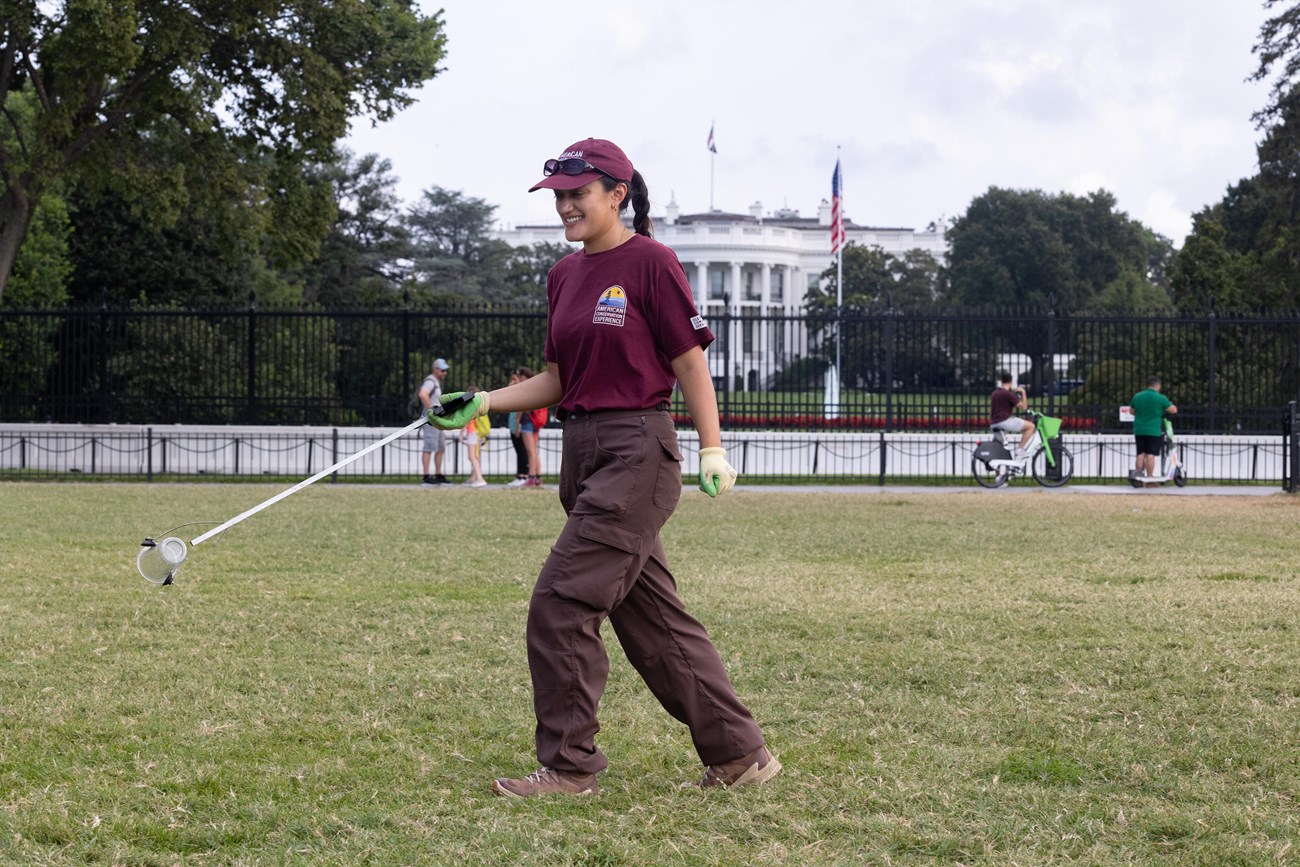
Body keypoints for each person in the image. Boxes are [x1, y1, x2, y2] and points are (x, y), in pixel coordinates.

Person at [426, 138, 778, 798]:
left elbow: (689, 362)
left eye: (578, 193)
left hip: (637, 451)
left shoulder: (651, 261)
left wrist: (712, 447)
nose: (565, 205)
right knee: (653, 619)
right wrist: (482, 400)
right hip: (584, 452)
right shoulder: (564, 275)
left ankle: (570, 769)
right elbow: (559, 378)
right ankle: (740, 755)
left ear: (617, 194)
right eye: (559, 195)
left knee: (560, 603)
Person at [1131, 375, 1177, 486]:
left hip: (1139, 429)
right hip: (1153, 430)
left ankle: (1138, 477)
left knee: (1140, 453)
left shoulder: (1137, 396)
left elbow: (1132, 411)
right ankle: (1150, 479)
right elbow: (1173, 410)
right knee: (1150, 454)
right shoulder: (1160, 398)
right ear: (1158, 385)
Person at [419, 358, 451, 486]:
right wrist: (432, 410)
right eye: (443, 370)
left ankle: (438, 475)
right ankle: (426, 477)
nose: (445, 373)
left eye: (446, 370)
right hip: (430, 420)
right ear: (435, 369)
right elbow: (423, 394)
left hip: (437, 420)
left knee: (440, 447)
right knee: (429, 447)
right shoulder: (430, 381)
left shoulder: (435, 382)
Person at [989, 371, 1034, 457]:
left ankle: (999, 464)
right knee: (1031, 426)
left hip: (993, 423)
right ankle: (1020, 449)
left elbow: (994, 410)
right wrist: (1023, 392)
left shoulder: (994, 393)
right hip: (1003, 422)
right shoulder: (1007, 394)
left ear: (1001, 381)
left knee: (1000, 446)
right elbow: (1024, 407)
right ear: (1011, 381)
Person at [504, 368, 533, 487]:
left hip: (518, 424)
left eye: (514, 379)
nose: (512, 381)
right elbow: (506, 392)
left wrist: (517, 425)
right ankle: (519, 475)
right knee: (518, 450)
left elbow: (521, 409)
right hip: (513, 424)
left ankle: (523, 475)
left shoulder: (522, 390)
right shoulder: (515, 390)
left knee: (522, 451)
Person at [459, 384, 489, 488]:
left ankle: (480, 478)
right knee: (475, 456)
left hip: (472, 432)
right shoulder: (481, 404)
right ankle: (474, 477)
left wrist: (461, 434)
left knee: (472, 457)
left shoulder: (470, 405)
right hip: (479, 433)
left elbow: (465, 420)